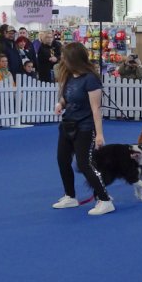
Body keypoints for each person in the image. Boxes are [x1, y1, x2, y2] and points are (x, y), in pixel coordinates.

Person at [52, 42, 113, 216]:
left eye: (64, 57)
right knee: (62, 160)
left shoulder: (90, 79)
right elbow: (66, 98)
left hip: (84, 128)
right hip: (67, 125)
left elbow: (96, 109)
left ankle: (105, 200)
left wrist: (99, 134)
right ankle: (70, 196)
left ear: (73, 58)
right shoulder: (68, 76)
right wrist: (60, 104)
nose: (62, 59)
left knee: (84, 164)